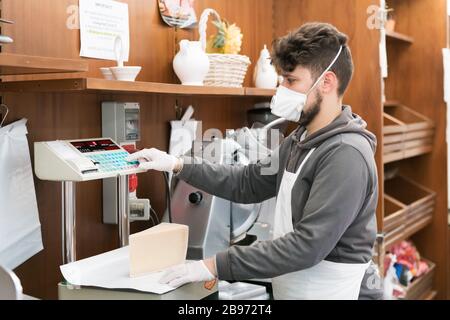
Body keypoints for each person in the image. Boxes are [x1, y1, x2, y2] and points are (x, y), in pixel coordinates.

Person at [127, 22, 383, 300]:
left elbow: (307, 246)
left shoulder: (346, 154)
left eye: (291, 80)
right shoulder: (300, 139)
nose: (281, 88)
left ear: (328, 82)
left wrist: (213, 265)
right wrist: (176, 164)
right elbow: (247, 182)